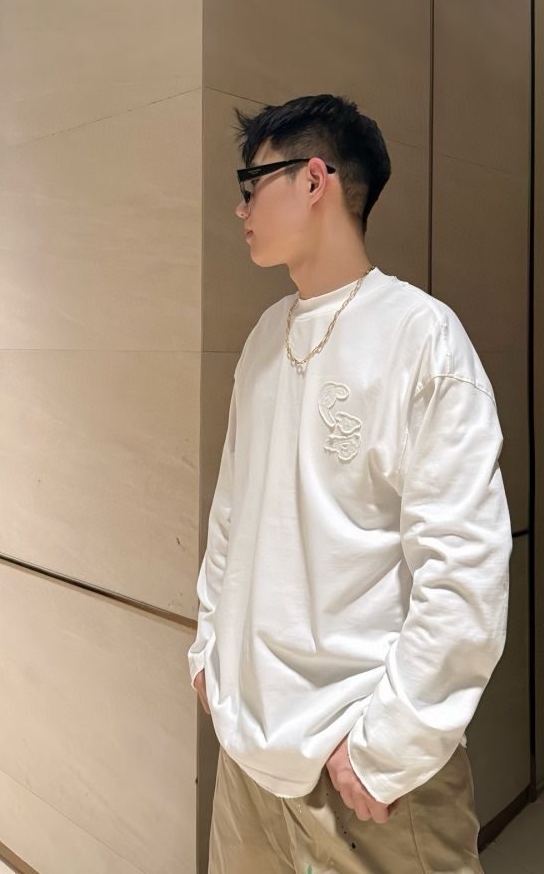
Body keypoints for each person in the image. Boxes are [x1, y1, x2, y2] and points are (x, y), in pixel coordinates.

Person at [188, 93, 512, 873]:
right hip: (247, 755)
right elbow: (232, 518)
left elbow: (465, 569)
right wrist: (210, 650)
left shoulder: (421, 336)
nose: (239, 208)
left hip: (365, 776)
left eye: (251, 183)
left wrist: (385, 748)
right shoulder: (264, 340)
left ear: (314, 180)